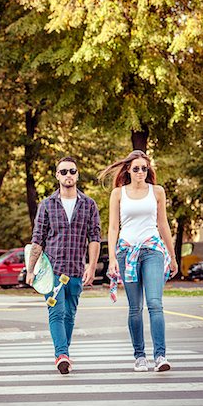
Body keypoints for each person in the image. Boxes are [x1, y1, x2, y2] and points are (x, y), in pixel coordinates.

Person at [100, 150, 178, 372]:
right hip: (126, 253)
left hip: (152, 250)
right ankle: (140, 356)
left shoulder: (157, 192)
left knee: (155, 303)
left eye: (145, 168)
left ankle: (160, 356)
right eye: (136, 168)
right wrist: (113, 257)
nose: (141, 172)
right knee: (135, 308)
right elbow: (113, 227)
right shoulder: (118, 193)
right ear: (128, 170)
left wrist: (172, 257)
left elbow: (163, 225)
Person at [26, 156, 101, 375]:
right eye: (64, 171)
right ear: (57, 175)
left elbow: (94, 237)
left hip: (77, 270)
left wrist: (92, 266)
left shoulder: (89, 205)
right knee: (56, 312)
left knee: (69, 314)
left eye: (72, 171)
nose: (68, 175)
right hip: (52, 272)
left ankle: (63, 353)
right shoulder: (47, 205)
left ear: (77, 175)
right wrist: (30, 270)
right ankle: (61, 354)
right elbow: (37, 239)